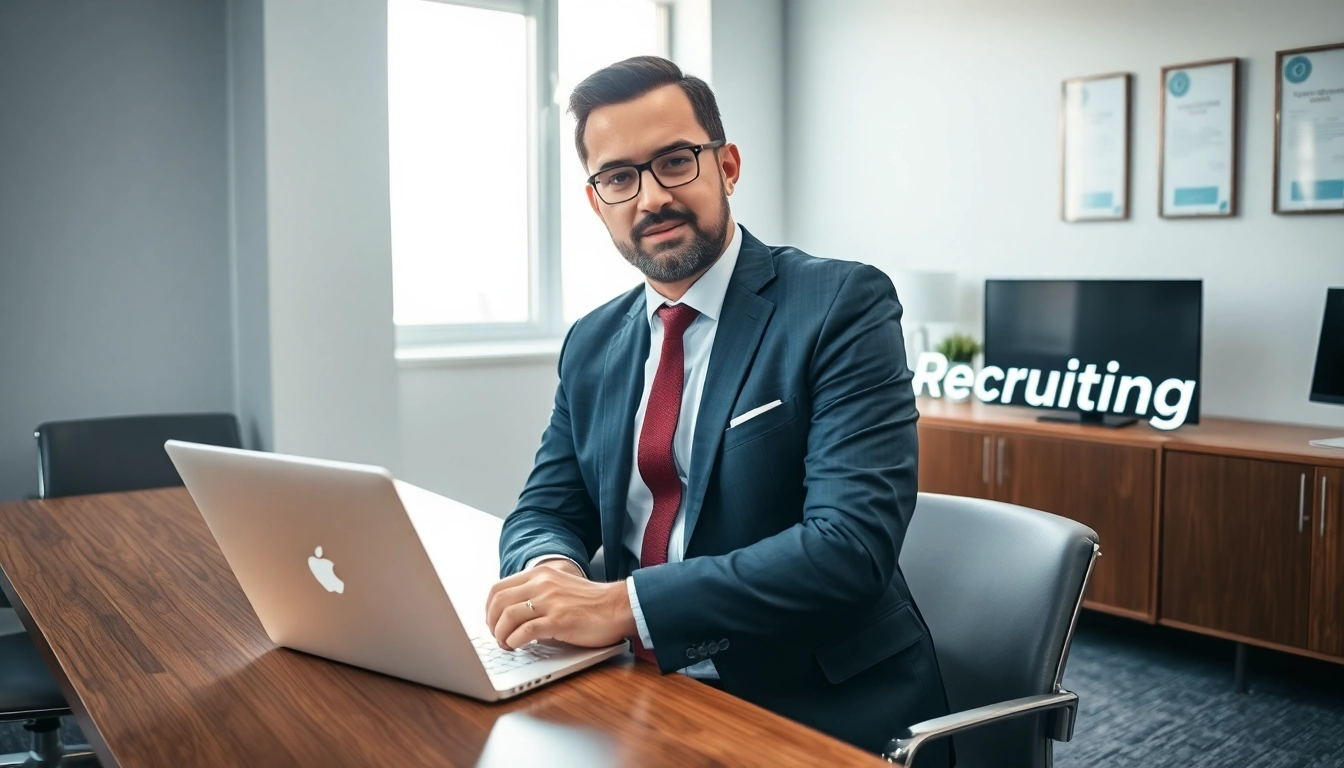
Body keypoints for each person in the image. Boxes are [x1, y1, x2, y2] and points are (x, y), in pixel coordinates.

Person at [486, 55, 950, 762]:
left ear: (727, 166)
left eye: (675, 161)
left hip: (812, 705)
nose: (650, 199)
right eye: (619, 177)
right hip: (640, 687)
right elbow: (547, 505)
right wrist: (551, 571)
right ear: (596, 201)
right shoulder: (593, 342)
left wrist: (624, 606)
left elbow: (848, 550)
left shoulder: (839, 306)